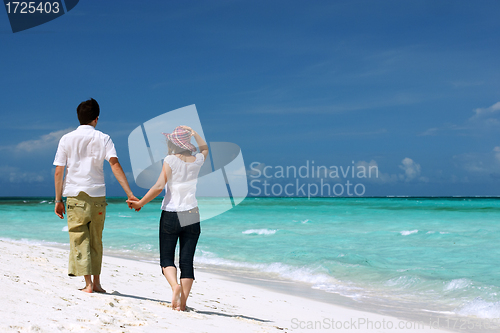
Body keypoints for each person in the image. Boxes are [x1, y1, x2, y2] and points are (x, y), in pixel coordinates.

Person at [53, 98, 138, 293]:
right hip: (98, 197)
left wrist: (58, 200)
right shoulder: (104, 138)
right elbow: (114, 164)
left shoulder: (66, 138)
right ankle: (98, 284)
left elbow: (59, 171)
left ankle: (88, 284)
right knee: (96, 240)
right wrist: (130, 194)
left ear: (79, 117)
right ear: (96, 119)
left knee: (79, 238)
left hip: (75, 196)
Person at [127, 125, 208, 311]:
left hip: (171, 213)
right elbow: (205, 148)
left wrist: (140, 203)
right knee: (187, 261)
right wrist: (194, 134)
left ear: (173, 143)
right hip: (192, 213)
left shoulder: (170, 160)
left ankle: (175, 287)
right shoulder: (197, 160)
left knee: (167, 259)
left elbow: (158, 187)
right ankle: (183, 302)